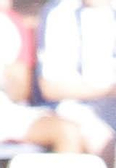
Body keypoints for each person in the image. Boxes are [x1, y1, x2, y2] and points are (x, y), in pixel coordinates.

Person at [34, 0, 116, 160]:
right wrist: (106, 90)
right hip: (73, 107)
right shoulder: (59, 13)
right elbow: (50, 88)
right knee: (105, 142)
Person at [2, 2, 86, 153]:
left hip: (6, 112)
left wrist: (8, 73)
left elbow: (20, 92)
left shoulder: (11, 25)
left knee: (68, 131)